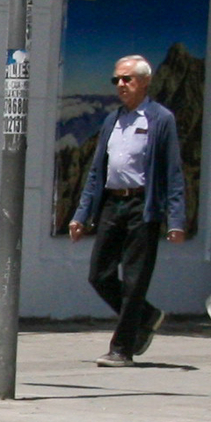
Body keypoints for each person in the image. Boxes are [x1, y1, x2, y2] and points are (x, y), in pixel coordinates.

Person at [69, 53, 188, 367]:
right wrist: (81, 215)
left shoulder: (161, 119)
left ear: (145, 82)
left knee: (134, 281)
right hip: (112, 203)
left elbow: (173, 171)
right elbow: (96, 171)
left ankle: (122, 349)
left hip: (142, 206)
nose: (120, 85)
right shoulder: (112, 120)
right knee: (100, 274)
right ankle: (147, 315)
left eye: (127, 79)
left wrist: (176, 220)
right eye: (116, 79)